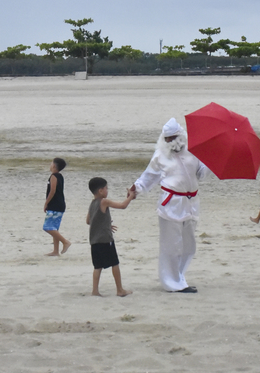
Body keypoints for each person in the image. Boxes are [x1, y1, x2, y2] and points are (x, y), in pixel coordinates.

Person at [131, 118, 209, 293]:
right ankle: (172, 283)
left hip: (191, 204)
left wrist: (209, 158)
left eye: (172, 137)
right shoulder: (160, 155)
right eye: (167, 138)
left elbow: (201, 174)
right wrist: (136, 188)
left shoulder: (194, 151)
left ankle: (179, 278)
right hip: (170, 204)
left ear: (180, 135)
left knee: (188, 245)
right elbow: (148, 176)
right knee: (171, 245)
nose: (170, 142)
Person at [86, 177, 134, 297]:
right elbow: (122, 206)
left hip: (94, 240)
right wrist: (131, 197)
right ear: (101, 190)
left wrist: (105, 224)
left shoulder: (92, 203)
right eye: (106, 188)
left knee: (97, 266)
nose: (107, 190)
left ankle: (95, 291)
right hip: (105, 239)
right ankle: (120, 290)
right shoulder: (104, 201)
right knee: (114, 263)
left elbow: (88, 221)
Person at [43, 157, 71, 256]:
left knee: (47, 227)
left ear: (54, 165)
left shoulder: (54, 176)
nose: (50, 165)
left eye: (51, 163)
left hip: (55, 205)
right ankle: (56, 251)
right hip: (60, 204)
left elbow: (53, 191)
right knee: (54, 228)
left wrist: (46, 203)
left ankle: (65, 242)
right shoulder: (60, 176)